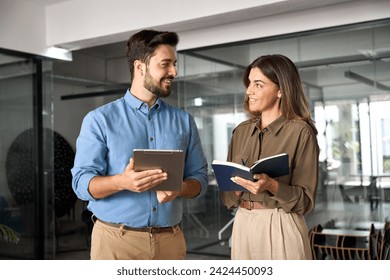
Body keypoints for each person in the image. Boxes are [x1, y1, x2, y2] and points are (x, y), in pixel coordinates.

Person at [71, 29, 208, 260]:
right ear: (140, 66)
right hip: (115, 242)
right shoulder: (99, 120)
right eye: (165, 64)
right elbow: (81, 184)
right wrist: (121, 182)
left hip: (170, 242)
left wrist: (180, 189)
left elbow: (200, 178)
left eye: (175, 64)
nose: (174, 71)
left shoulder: (184, 121)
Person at [220, 54, 319, 260]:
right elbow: (227, 197)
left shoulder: (300, 132)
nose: (249, 91)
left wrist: (271, 186)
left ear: (280, 89)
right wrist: (238, 188)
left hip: (280, 223)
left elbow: (305, 203)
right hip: (242, 223)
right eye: (249, 84)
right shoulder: (240, 132)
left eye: (258, 84)